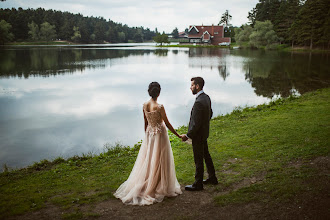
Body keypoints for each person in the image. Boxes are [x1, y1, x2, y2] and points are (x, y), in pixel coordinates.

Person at [114, 82, 182, 205]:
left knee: (150, 158)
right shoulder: (159, 107)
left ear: (149, 92)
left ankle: (151, 181)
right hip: (160, 135)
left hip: (150, 134)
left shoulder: (145, 105)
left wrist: (146, 135)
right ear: (159, 92)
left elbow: (145, 122)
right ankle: (159, 184)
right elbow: (167, 123)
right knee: (160, 159)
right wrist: (178, 135)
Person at [182, 77, 218, 191]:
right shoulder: (206, 97)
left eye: (192, 85)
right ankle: (212, 177)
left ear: (197, 86)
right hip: (204, 133)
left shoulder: (198, 102)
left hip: (198, 135)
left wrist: (187, 136)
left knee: (198, 159)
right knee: (206, 156)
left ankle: (198, 184)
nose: (190, 87)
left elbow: (195, 124)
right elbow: (210, 113)